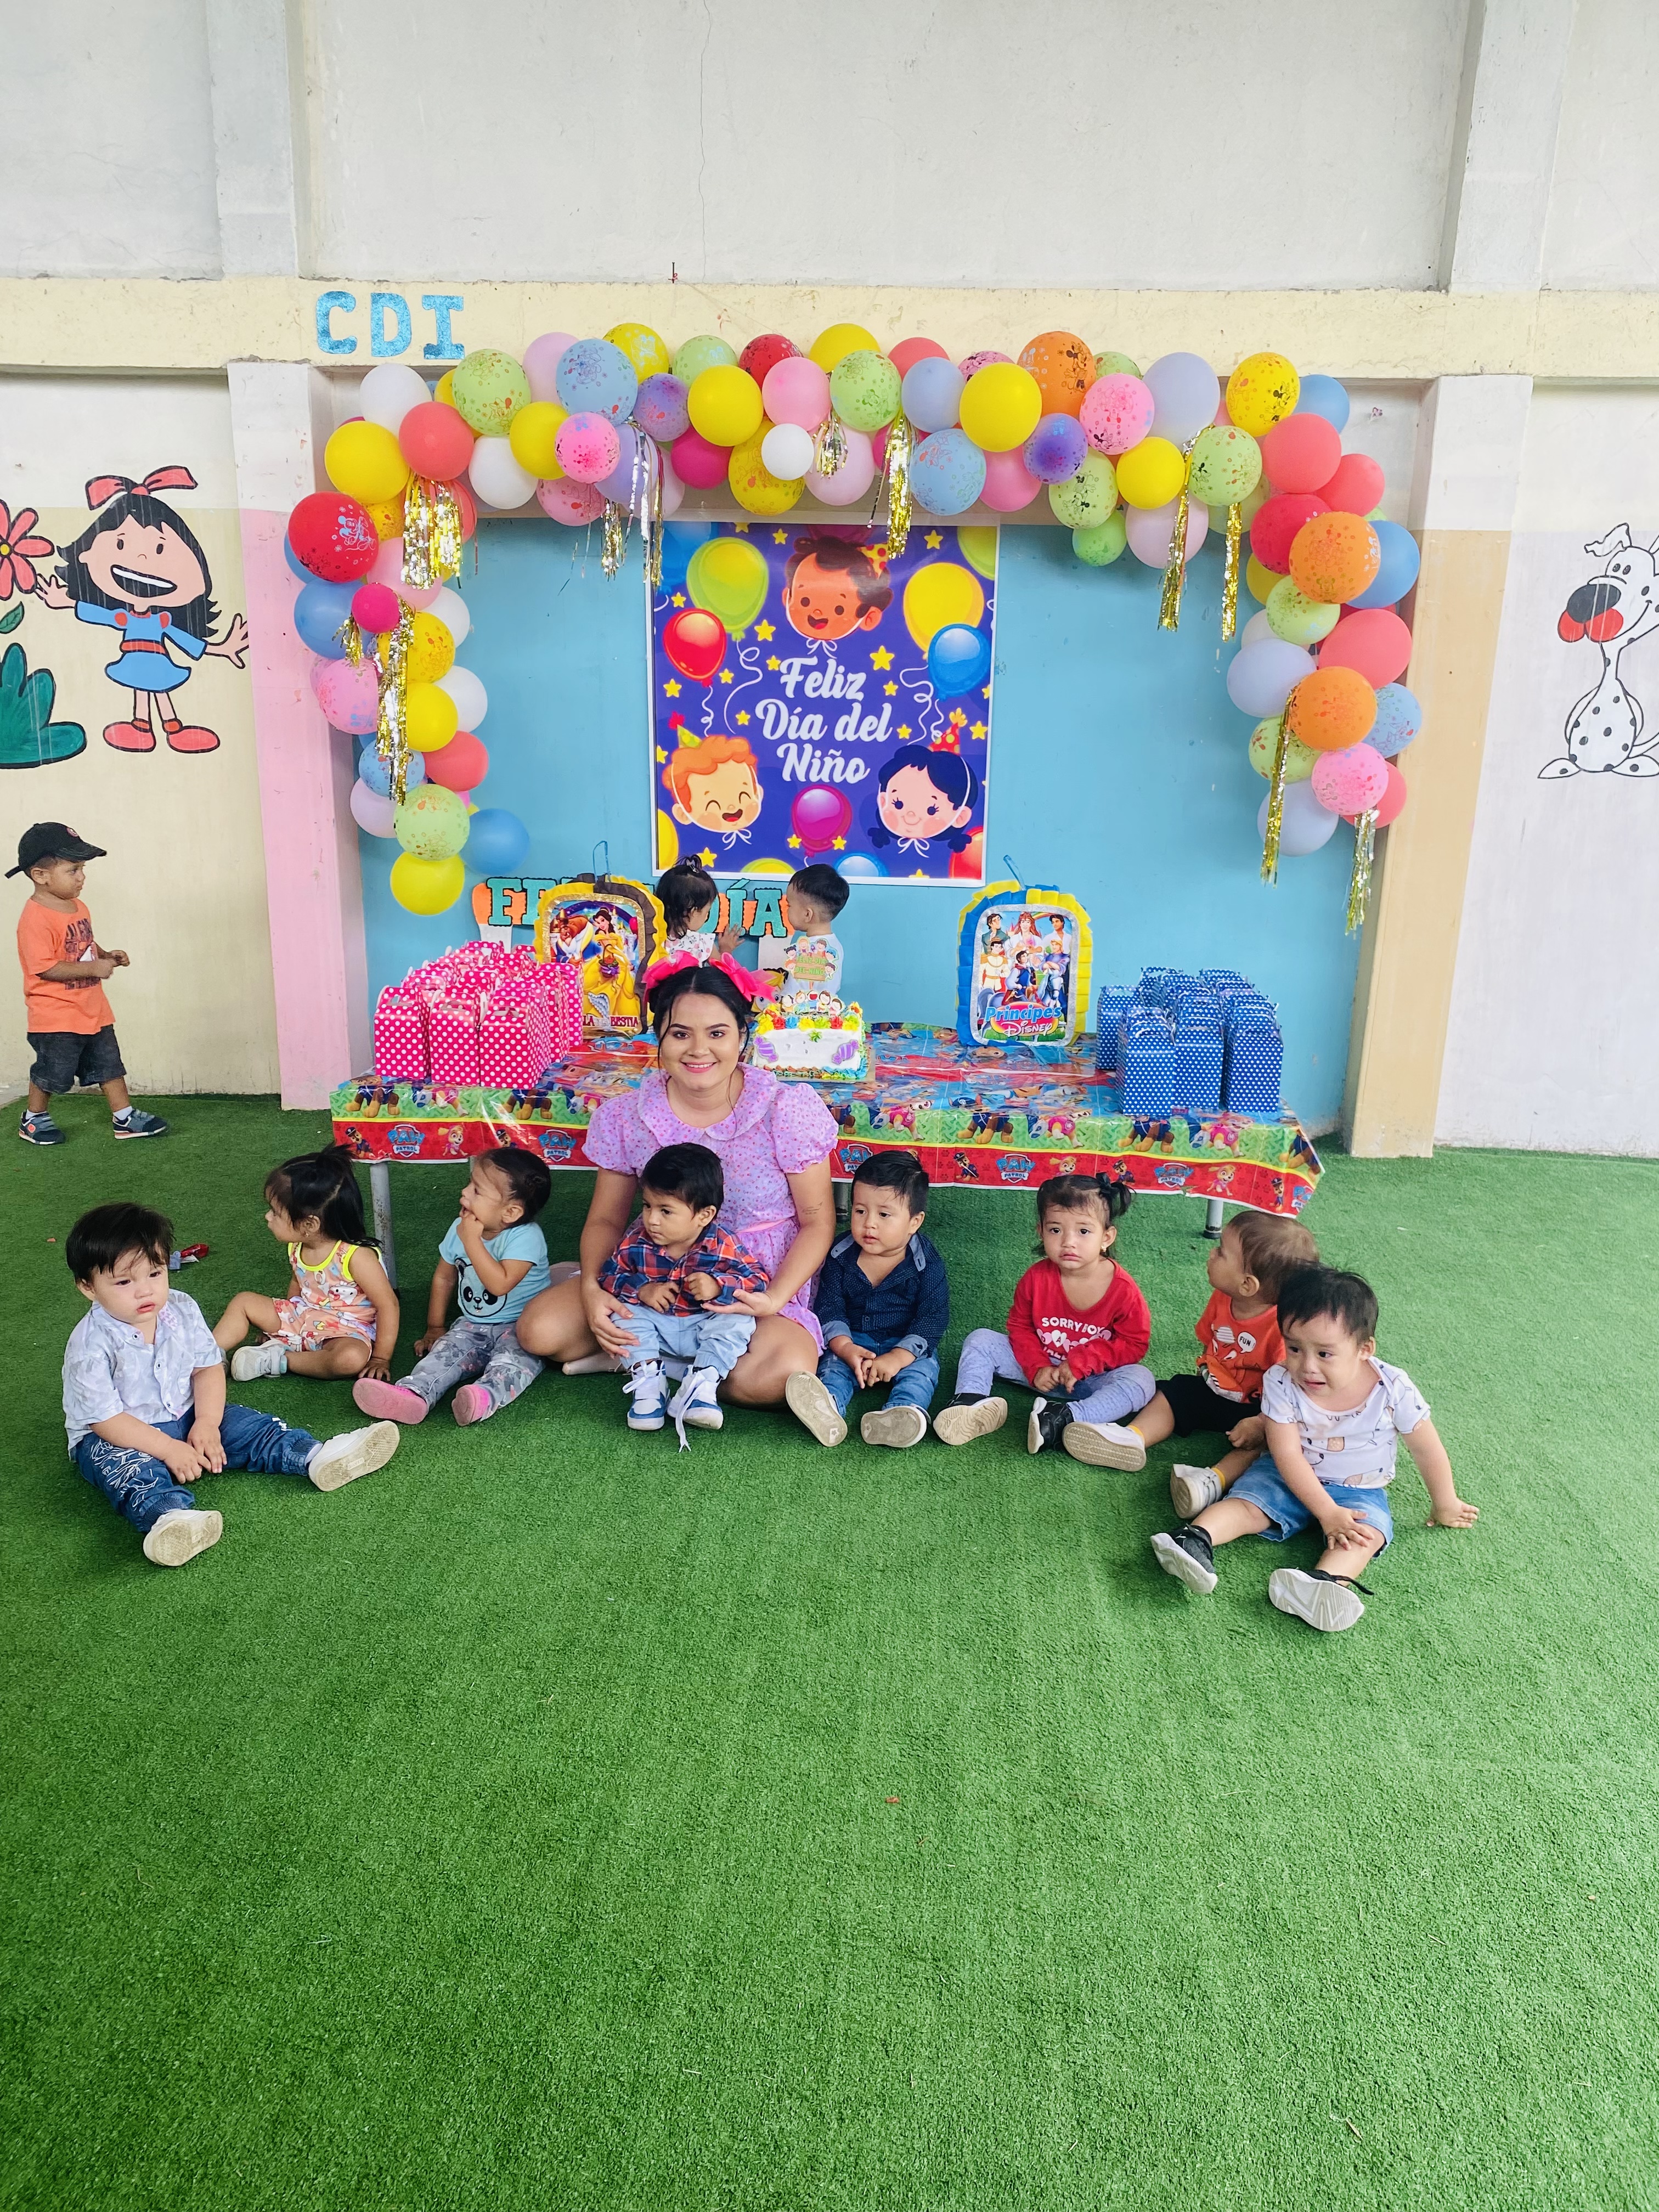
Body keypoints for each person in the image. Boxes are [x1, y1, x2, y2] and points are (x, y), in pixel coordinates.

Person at [513, 954, 837, 1408]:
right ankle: (670, 1360)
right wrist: (591, 1291)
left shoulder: (785, 1111)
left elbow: (817, 1222)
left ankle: (646, 1361)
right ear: (659, 1038)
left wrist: (772, 1299)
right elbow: (606, 1220)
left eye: (717, 1033)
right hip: (653, 1276)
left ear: (742, 1035)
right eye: (680, 1033)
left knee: (779, 1373)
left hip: (749, 1285)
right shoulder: (627, 1116)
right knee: (539, 1332)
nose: (698, 1050)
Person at [63, 1202, 399, 1569]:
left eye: (155, 1273)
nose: (145, 1291)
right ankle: (169, 1517)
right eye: (124, 1282)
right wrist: (168, 1449)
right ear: (88, 1287)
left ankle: (315, 1456)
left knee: (249, 1427)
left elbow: (207, 1368)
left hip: (187, 1411)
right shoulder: (90, 1346)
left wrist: (207, 1423)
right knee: (126, 1469)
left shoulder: (180, 1307)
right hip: (118, 1433)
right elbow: (105, 1420)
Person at [1150, 1266, 1478, 1634]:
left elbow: (1427, 1448)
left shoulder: (1393, 1388)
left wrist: (1445, 1502)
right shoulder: (1281, 1381)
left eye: (1324, 1353)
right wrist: (1326, 1512)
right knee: (1249, 1505)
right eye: (1294, 1348)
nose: (1307, 1367)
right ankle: (1194, 1539)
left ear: (1364, 1349)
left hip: (1360, 1490)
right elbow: (1287, 1455)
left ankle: (1324, 1584)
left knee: (1367, 1534)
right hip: (1287, 1475)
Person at [934, 1170, 1154, 1459]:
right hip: (1039, 1369)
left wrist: (1083, 1363)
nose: (1068, 1242)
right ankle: (971, 1402)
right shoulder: (1036, 1278)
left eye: (1084, 1231)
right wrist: (1037, 1367)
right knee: (981, 1340)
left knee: (1142, 1380)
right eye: (1056, 1230)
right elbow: (1020, 1327)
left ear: (1107, 1237)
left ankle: (1065, 1417)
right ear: (1041, 1231)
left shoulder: (1123, 1290)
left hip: (1089, 1379)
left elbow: (1134, 1343)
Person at [1112, 1210, 1319, 1515]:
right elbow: (1210, 1341)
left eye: (1221, 1252)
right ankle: (1133, 1438)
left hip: (1259, 1408)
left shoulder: (1283, 1329)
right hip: (1215, 1389)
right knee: (1176, 1391)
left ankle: (1212, 1481)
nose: (1212, 1253)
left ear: (1248, 1285)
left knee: (1273, 1439)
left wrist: (1262, 1421)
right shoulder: (1223, 1298)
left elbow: (1293, 1391)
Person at [352, 1147, 552, 1426]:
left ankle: (481, 1398)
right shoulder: (461, 1227)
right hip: (471, 1324)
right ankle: (413, 1395)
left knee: (513, 1365)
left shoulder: (526, 1237)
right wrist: (435, 1327)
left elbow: (500, 1285)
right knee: (443, 1354)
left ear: (510, 1212)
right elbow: (444, 1278)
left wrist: (471, 1240)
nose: (464, 1193)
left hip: (522, 1327)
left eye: (477, 1191)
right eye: (470, 1184)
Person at [10, 822, 168, 1146]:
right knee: (52, 1072)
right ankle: (34, 1119)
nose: (82, 877)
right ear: (40, 875)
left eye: (82, 869)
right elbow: (44, 967)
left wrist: (106, 954)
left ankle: (124, 1117)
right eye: (73, 870)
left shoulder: (78, 907)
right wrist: (95, 968)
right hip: (56, 1017)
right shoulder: (35, 918)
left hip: (93, 1010)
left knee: (110, 1066)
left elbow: (80, 945)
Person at [597, 1142, 769, 1438]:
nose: (652, 1219)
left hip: (703, 1330)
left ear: (705, 1215)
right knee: (624, 1312)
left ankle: (701, 1386)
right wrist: (642, 1290)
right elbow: (609, 1276)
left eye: (666, 1211)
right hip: (656, 1331)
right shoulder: (636, 1241)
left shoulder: (722, 1244)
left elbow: (757, 1281)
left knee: (738, 1319)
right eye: (647, 1206)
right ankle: (649, 1384)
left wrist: (718, 1286)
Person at [785, 1150, 946, 1451]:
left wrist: (899, 1357)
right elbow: (829, 1306)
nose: (869, 1224)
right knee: (833, 1367)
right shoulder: (839, 1254)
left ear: (914, 1222)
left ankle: (902, 1413)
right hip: (853, 1338)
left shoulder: (926, 1262)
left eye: (884, 1215)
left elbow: (933, 1317)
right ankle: (828, 1408)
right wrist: (846, 1348)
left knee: (922, 1372)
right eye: (860, 1211)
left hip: (906, 1342)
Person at [213, 1144, 399, 1384]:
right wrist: (282, 1327)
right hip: (302, 1315)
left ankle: (280, 1361)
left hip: (346, 1330)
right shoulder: (297, 1246)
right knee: (244, 1302)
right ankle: (210, 1357)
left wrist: (382, 1358)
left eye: (275, 1212)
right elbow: (298, 1284)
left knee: (350, 1359)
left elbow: (388, 1305)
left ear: (309, 1225)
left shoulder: (356, 1257)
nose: (268, 1217)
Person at [776, 863, 848, 997]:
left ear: (807, 914)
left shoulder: (808, 950)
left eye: (789, 905)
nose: (787, 910)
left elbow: (793, 996)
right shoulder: (834, 945)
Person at [657, 861, 738, 964]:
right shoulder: (701, 943)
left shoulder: (651, 939)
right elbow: (725, 970)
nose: (706, 917)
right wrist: (726, 949)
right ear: (694, 912)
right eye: (707, 912)